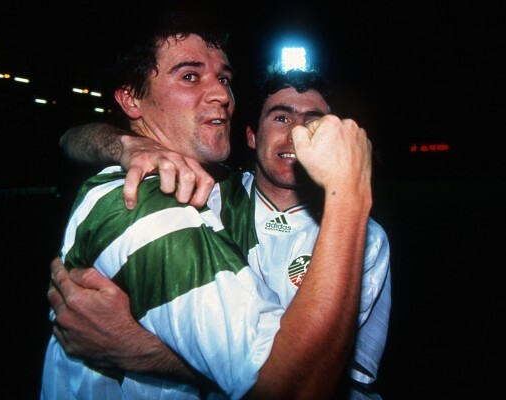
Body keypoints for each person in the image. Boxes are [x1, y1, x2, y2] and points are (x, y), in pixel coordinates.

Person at [42, 11, 374, 400]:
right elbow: (290, 388)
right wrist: (349, 191)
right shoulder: (147, 207)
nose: (221, 94)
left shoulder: (222, 189)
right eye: (190, 75)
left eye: (225, 79)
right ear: (130, 97)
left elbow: (70, 140)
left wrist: (147, 353)